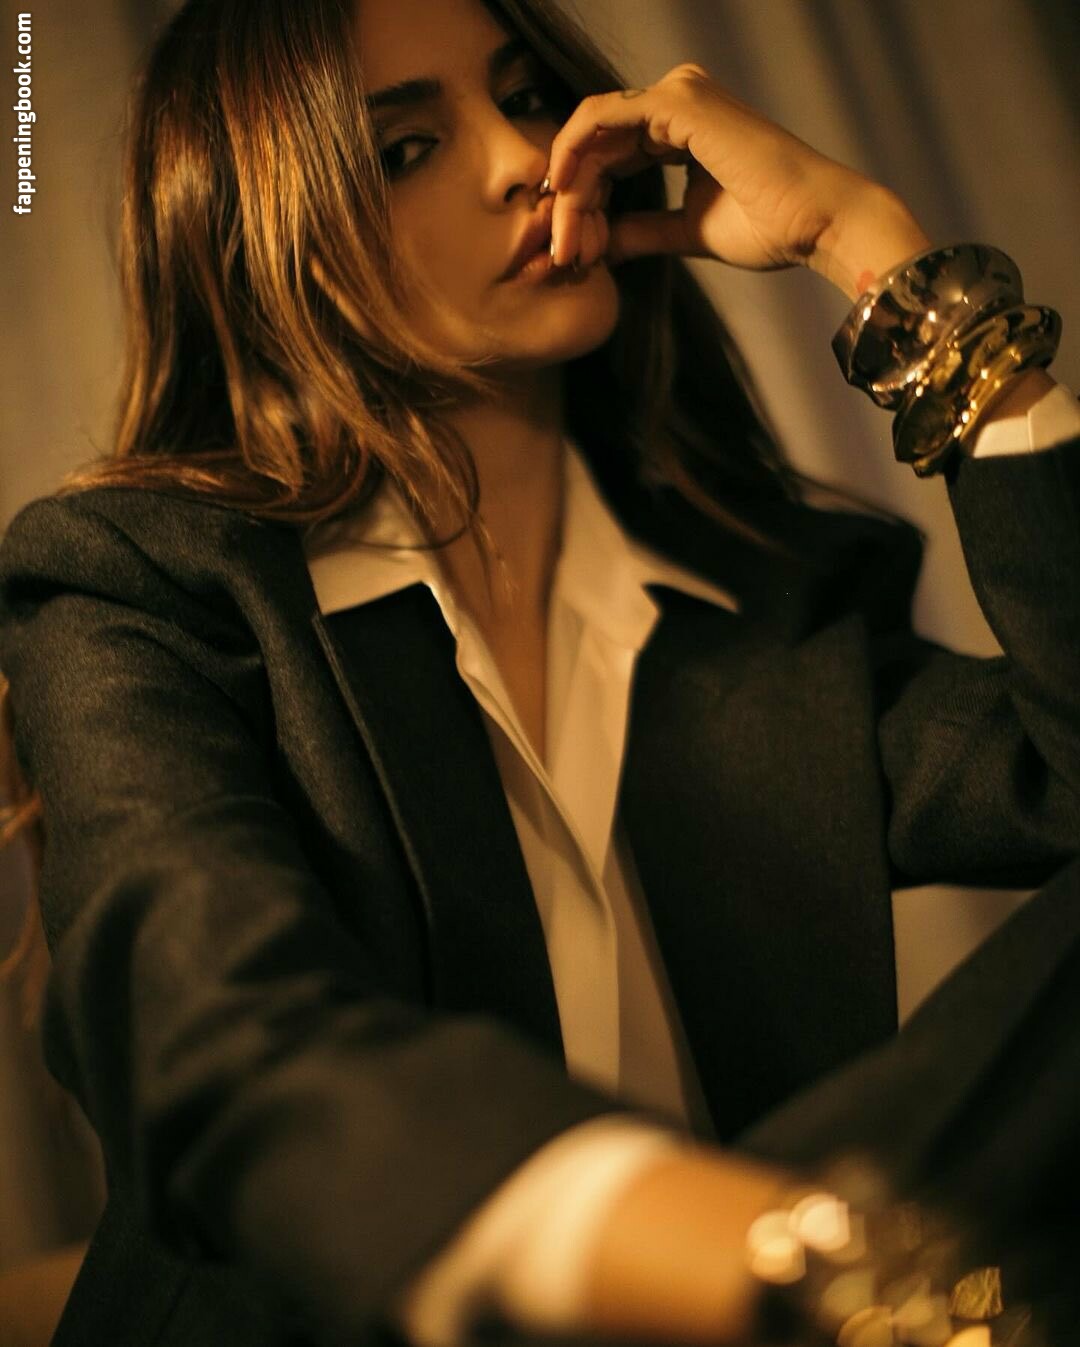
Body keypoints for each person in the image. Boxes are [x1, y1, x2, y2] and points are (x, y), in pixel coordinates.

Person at [1, 0, 1078, 1344]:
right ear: (264, 242)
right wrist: (772, 1260)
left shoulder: (764, 597)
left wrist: (889, 268)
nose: (524, 159)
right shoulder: (134, 585)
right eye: (404, 151)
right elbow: (209, 1043)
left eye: (527, 98)